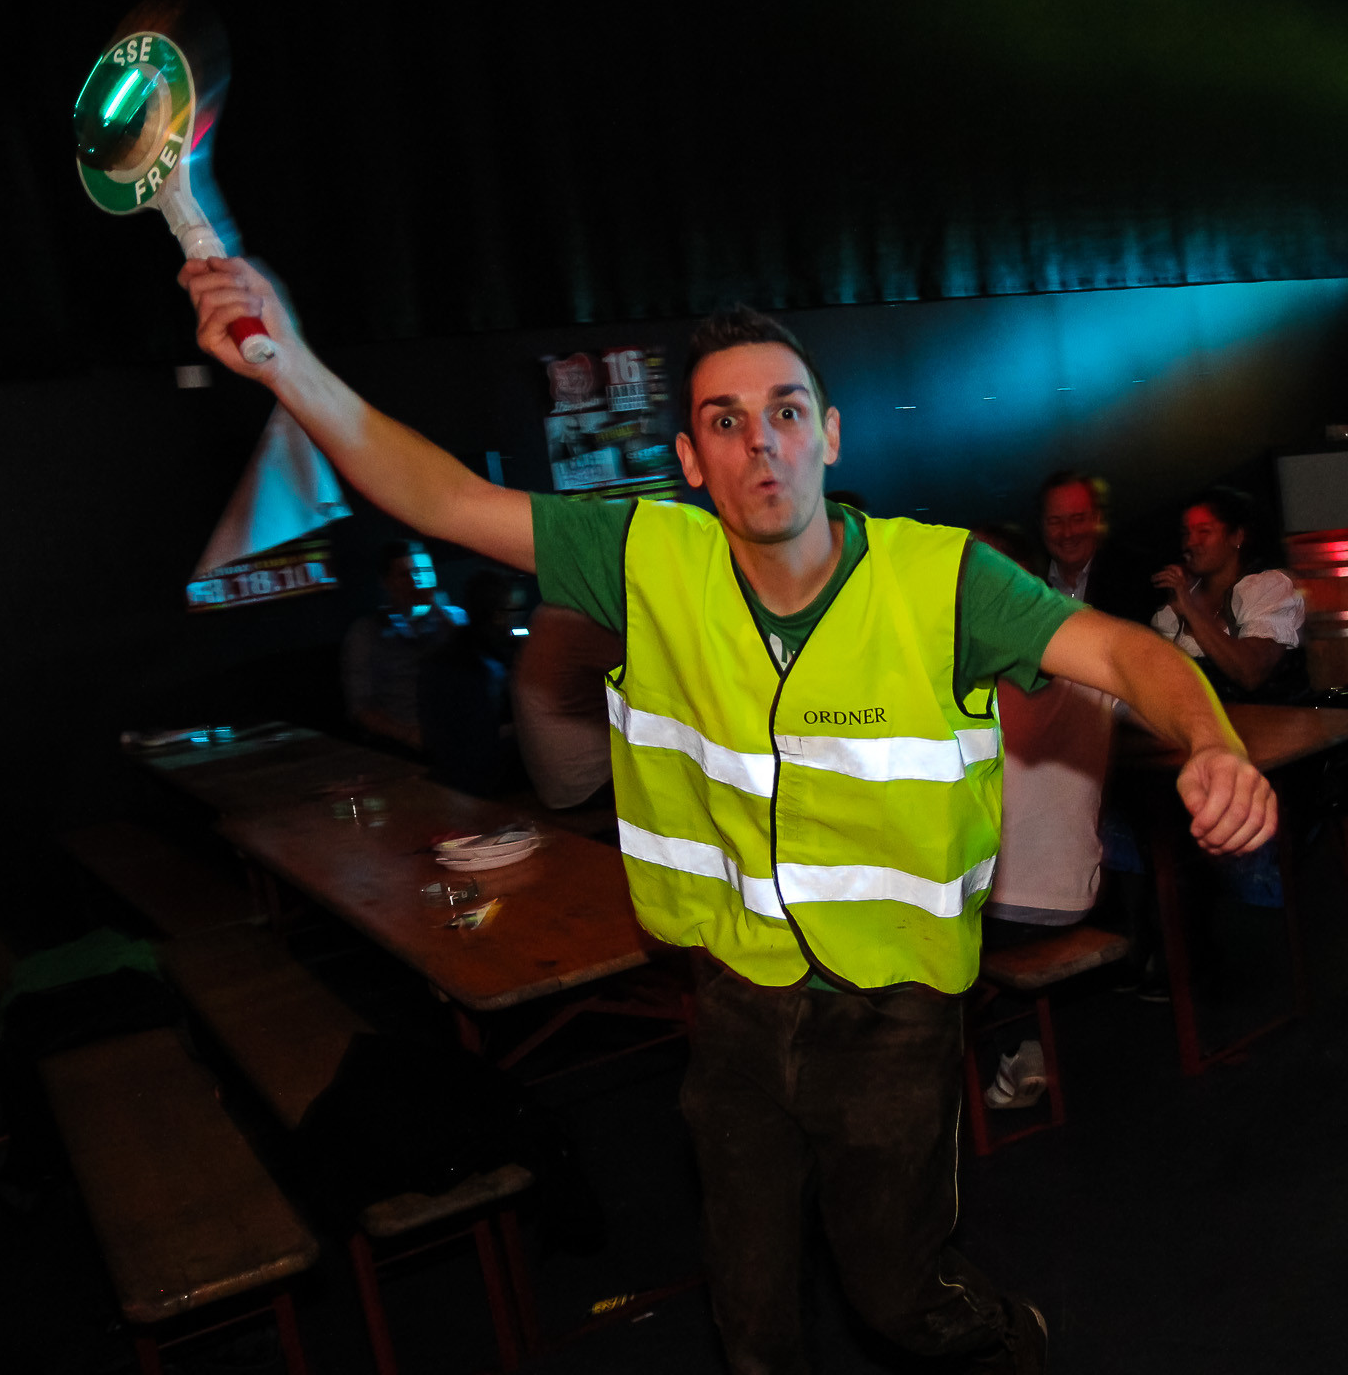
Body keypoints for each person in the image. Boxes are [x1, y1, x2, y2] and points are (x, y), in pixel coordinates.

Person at [177, 268, 1276, 1375]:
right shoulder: (648, 558)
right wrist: (291, 363)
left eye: (787, 413)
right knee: (749, 1318)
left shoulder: (941, 581)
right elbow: (444, 498)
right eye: (726, 421)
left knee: (894, 1296)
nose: (763, 445)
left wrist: (1212, 740)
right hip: (737, 1000)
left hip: (894, 1011)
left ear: (830, 435)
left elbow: (1123, 652)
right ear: (692, 461)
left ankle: (1006, 1338)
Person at [967, 523, 1117, 1108]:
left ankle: (997, 1052)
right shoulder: (1092, 643)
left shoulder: (972, 664)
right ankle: (1023, 1039)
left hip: (1002, 903)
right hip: (1078, 887)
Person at [1151, 485, 1304, 701]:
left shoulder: (1268, 587)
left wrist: (1190, 610)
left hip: (1268, 718)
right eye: (1186, 533)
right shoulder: (1178, 600)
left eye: (1204, 531)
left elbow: (1251, 673)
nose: (1191, 543)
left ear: (1236, 537)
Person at [341, 540, 466, 751]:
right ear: (387, 582)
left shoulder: (453, 621)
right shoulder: (365, 633)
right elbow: (360, 707)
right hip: (403, 740)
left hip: (458, 733)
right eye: (406, 575)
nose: (418, 582)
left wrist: (443, 615)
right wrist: (406, 734)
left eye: (426, 572)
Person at [417, 569, 526, 797]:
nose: (520, 619)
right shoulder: (484, 666)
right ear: (497, 615)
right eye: (515, 611)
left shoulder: (445, 654)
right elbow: (482, 741)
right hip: (480, 784)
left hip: (445, 775)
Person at [511, 601, 623, 814]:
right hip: (589, 787)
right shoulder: (576, 621)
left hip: (554, 788)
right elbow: (640, 666)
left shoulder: (546, 617)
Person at [1036, 470, 1153, 620]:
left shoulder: (1136, 577)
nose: (1067, 533)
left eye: (1077, 519)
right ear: (1041, 526)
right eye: (1055, 521)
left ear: (1097, 519)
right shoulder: (1027, 587)